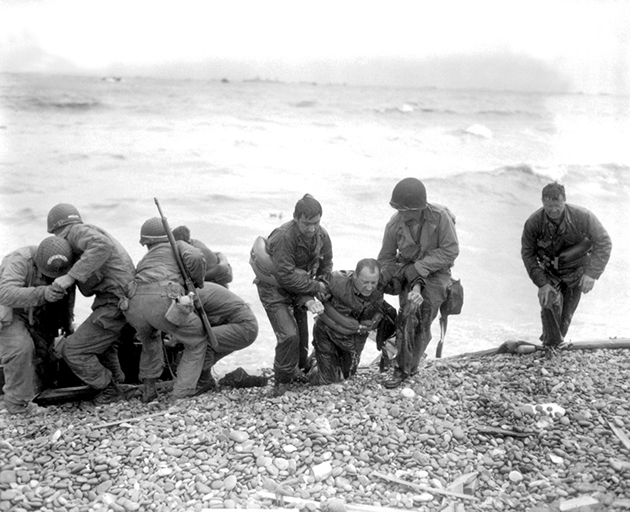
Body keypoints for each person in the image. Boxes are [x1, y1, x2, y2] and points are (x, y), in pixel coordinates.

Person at [46, 203, 135, 405]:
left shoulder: (76, 232)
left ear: (56, 229)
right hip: (116, 300)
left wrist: (69, 277)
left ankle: (108, 389)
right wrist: (68, 323)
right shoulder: (83, 236)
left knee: (73, 351)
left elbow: (101, 246)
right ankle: (117, 382)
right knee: (103, 344)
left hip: (116, 302)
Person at [377, 178, 459, 388]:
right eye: (399, 209)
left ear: (421, 208)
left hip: (436, 274)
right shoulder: (394, 224)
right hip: (407, 270)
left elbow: (451, 251)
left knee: (420, 314)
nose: (402, 214)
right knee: (405, 314)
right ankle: (398, 350)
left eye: (407, 210)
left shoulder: (440, 218)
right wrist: (388, 278)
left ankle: (405, 368)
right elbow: (385, 259)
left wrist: (420, 269)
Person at [124, 217, 208, 402]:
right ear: (167, 235)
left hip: (134, 305)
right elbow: (195, 256)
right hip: (162, 301)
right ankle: (181, 395)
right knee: (197, 339)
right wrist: (197, 281)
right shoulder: (176, 245)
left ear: (146, 242)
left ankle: (149, 390)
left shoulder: (145, 259)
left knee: (150, 342)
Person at [252, 194, 333, 387]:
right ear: (296, 218)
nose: (312, 228)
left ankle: (299, 369)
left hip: (300, 289)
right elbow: (285, 277)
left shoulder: (322, 235)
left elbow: (326, 264)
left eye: (316, 222)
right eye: (306, 223)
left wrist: (323, 284)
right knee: (288, 335)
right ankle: (282, 380)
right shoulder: (283, 237)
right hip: (274, 289)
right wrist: (315, 288)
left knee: (302, 339)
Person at [521, 182, 612, 351]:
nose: (553, 210)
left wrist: (592, 274)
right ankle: (549, 345)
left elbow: (604, 242)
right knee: (549, 304)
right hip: (550, 272)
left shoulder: (583, 216)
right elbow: (528, 254)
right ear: (542, 202)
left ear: (565, 201)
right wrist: (542, 283)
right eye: (548, 206)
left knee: (566, 317)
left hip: (576, 271)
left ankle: (555, 345)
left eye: (557, 205)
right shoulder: (533, 222)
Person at [0, 236, 75, 414]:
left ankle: (41, 390)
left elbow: (68, 295)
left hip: (37, 312)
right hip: (10, 310)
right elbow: (4, 293)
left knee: (46, 352)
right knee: (21, 348)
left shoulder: (66, 265)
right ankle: (17, 404)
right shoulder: (19, 261)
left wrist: (66, 324)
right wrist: (44, 293)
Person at [308, 258, 384, 385]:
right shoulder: (337, 280)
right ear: (354, 275)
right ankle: (315, 361)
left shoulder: (379, 291)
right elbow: (315, 284)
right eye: (365, 282)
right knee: (326, 379)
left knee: (347, 374)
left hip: (352, 340)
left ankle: (327, 361)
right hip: (327, 333)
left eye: (373, 282)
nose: (369, 287)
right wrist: (319, 295)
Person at [193, 283, 259, 393]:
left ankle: (203, 381)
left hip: (244, 327)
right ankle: (202, 378)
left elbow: (190, 329)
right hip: (241, 324)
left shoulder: (195, 295)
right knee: (201, 347)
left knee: (202, 341)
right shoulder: (198, 289)